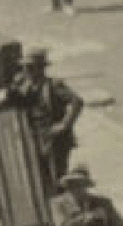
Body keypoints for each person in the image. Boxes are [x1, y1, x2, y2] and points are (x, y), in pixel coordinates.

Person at [12, 45, 82, 189]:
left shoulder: (53, 85)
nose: (27, 71)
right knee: (38, 178)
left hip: (54, 140)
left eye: (31, 67)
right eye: (25, 67)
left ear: (41, 68)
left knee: (57, 179)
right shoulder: (24, 87)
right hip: (34, 138)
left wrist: (64, 125)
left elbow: (77, 101)